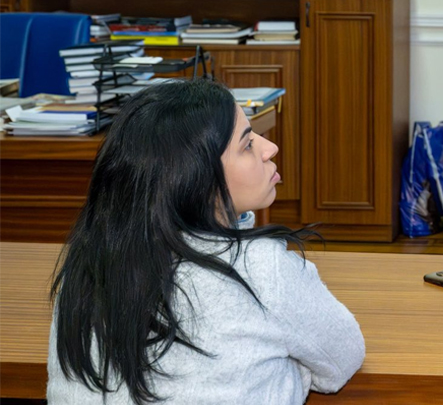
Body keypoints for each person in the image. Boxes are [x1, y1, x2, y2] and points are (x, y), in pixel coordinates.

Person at [49, 79, 364, 404]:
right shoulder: (261, 268)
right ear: (195, 180)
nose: (269, 148)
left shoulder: (84, 267)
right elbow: (341, 360)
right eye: (247, 144)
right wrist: (286, 375)